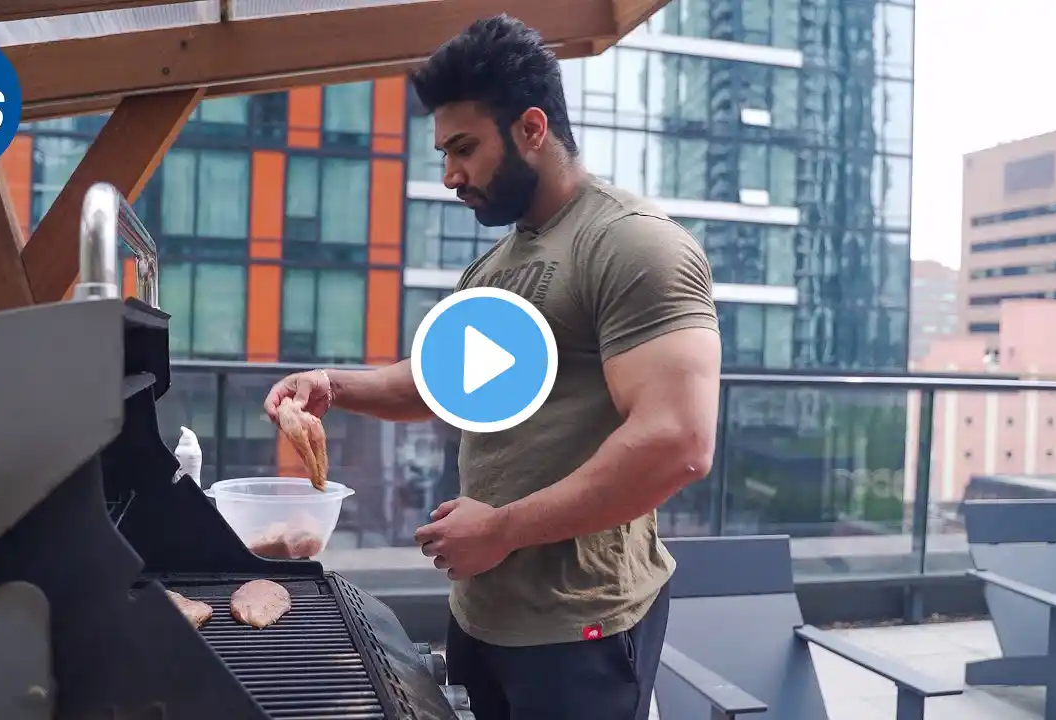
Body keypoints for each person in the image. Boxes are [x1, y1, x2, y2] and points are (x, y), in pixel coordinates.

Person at [263, 14, 722, 720]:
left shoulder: (633, 244)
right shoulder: (494, 267)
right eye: (445, 152)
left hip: (582, 624)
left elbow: (678, 443)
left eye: (465, 149)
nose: (450, 174)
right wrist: (333, 386)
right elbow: (441, 382)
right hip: (482, 614)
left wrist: (501, 529)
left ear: (532, 128)